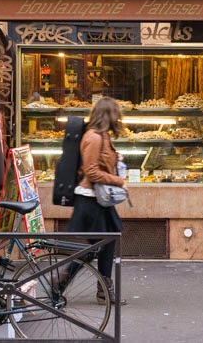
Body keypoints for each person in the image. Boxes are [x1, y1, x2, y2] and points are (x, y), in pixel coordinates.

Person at [67, 97, 128, 305]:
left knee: (107, 242)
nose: (118, 118)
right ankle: (59, 282)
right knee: (91, 248)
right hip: (90, 200)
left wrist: (114, 158)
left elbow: (99, 164)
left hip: (99, 201)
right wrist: (119, 181)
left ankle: (104, 290)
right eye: (116, 114)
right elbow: (91, 172)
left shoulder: (102, 136)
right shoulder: (94, 137)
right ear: (108, 115)